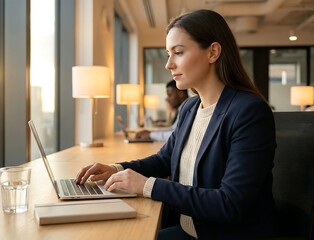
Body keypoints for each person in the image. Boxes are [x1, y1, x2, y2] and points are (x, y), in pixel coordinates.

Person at [76, 9, 277, 240]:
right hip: (188, 230)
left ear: (213, 52)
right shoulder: (190, 108)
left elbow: (229, 204)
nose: (169, 65)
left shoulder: (248, 112)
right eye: (168, 54)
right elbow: (164, 159)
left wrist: (147, 186)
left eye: (178, 52)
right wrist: (116, 169)